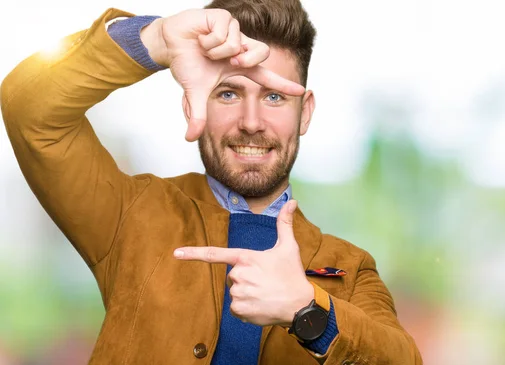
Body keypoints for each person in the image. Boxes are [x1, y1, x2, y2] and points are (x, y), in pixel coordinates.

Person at [1, 0, 422, 364]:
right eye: (228, 93)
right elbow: (31, 111)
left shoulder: (350, 268)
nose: (252, 123)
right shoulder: (131, 213)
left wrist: (308, 310)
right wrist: (155, 41)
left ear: (305, 112)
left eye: (274, 97)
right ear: (193, 100)